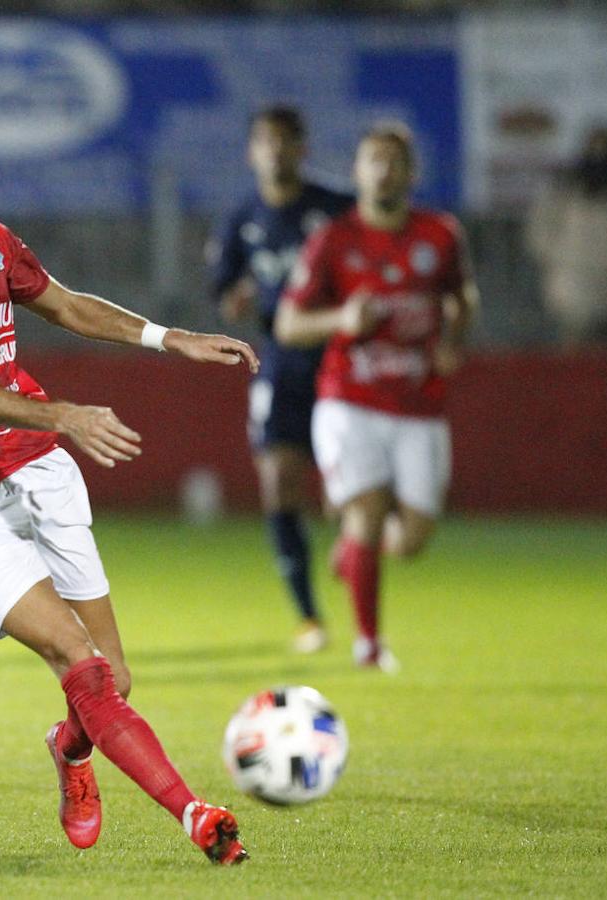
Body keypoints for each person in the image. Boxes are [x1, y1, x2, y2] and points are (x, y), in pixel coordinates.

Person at [0, 86, 256, 864]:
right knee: (80, 663)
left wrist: (171, 338)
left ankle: (70, 751)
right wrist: (65, 414)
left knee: (113, 681)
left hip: (35, 467)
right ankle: (198, 816)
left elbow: (66, 306)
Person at [275, 122, 479, 672]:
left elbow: (463, 296)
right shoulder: (333, 240)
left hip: (419, 403)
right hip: (350, 398)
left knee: (411, 538)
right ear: (358, 172)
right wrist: (342, 317)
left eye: (394, 160)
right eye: (373, 160)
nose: (384, 169)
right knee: (365, 508)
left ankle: (353, 555)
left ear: (411, 173)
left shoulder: (439, 235)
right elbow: (289, 323)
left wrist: (453, 341)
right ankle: (369, 644)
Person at [209, 107, 353, 654]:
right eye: (266, 142)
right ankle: (308, 616)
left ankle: (351, 541)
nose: (276, 152)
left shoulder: (333, 211)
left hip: (340, 360)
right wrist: (235, 300)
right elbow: (223, 290)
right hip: (281, 362)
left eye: (287, 142)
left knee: (346, 487)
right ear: (252, 152)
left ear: (302, 149)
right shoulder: (241, 219)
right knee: (278, 483)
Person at [525, 125, 607, 348]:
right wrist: (555, 260)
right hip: (572, 280)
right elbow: (541, 229)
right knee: (575, 349)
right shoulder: (566, 188)